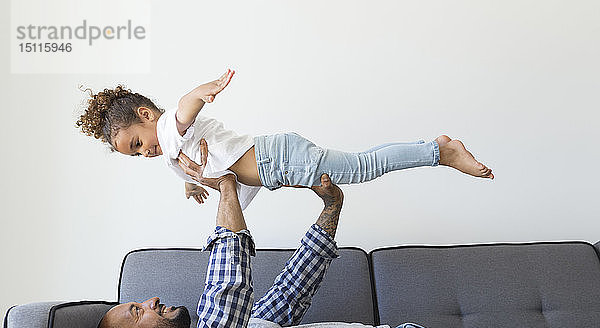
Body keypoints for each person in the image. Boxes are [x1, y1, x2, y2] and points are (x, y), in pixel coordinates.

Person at [95, 147, 600, 328]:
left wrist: (331, 208)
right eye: (138, 311)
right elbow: (224, 293)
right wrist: (227, 188)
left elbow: (289, 293)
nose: (153, 301)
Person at [76, 69, 493, 210]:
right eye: (134, 154)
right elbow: (186, 161)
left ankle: (441, 150)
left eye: (136, 143)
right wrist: (189, 182)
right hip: (279, 162)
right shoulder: (171, 150)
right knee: (365, 163)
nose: (143, 152)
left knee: (366, 167)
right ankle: (436, 147)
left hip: (280, 159)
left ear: (147, 117)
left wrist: (205, 91)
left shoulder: (169, 127)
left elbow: (185, 108)